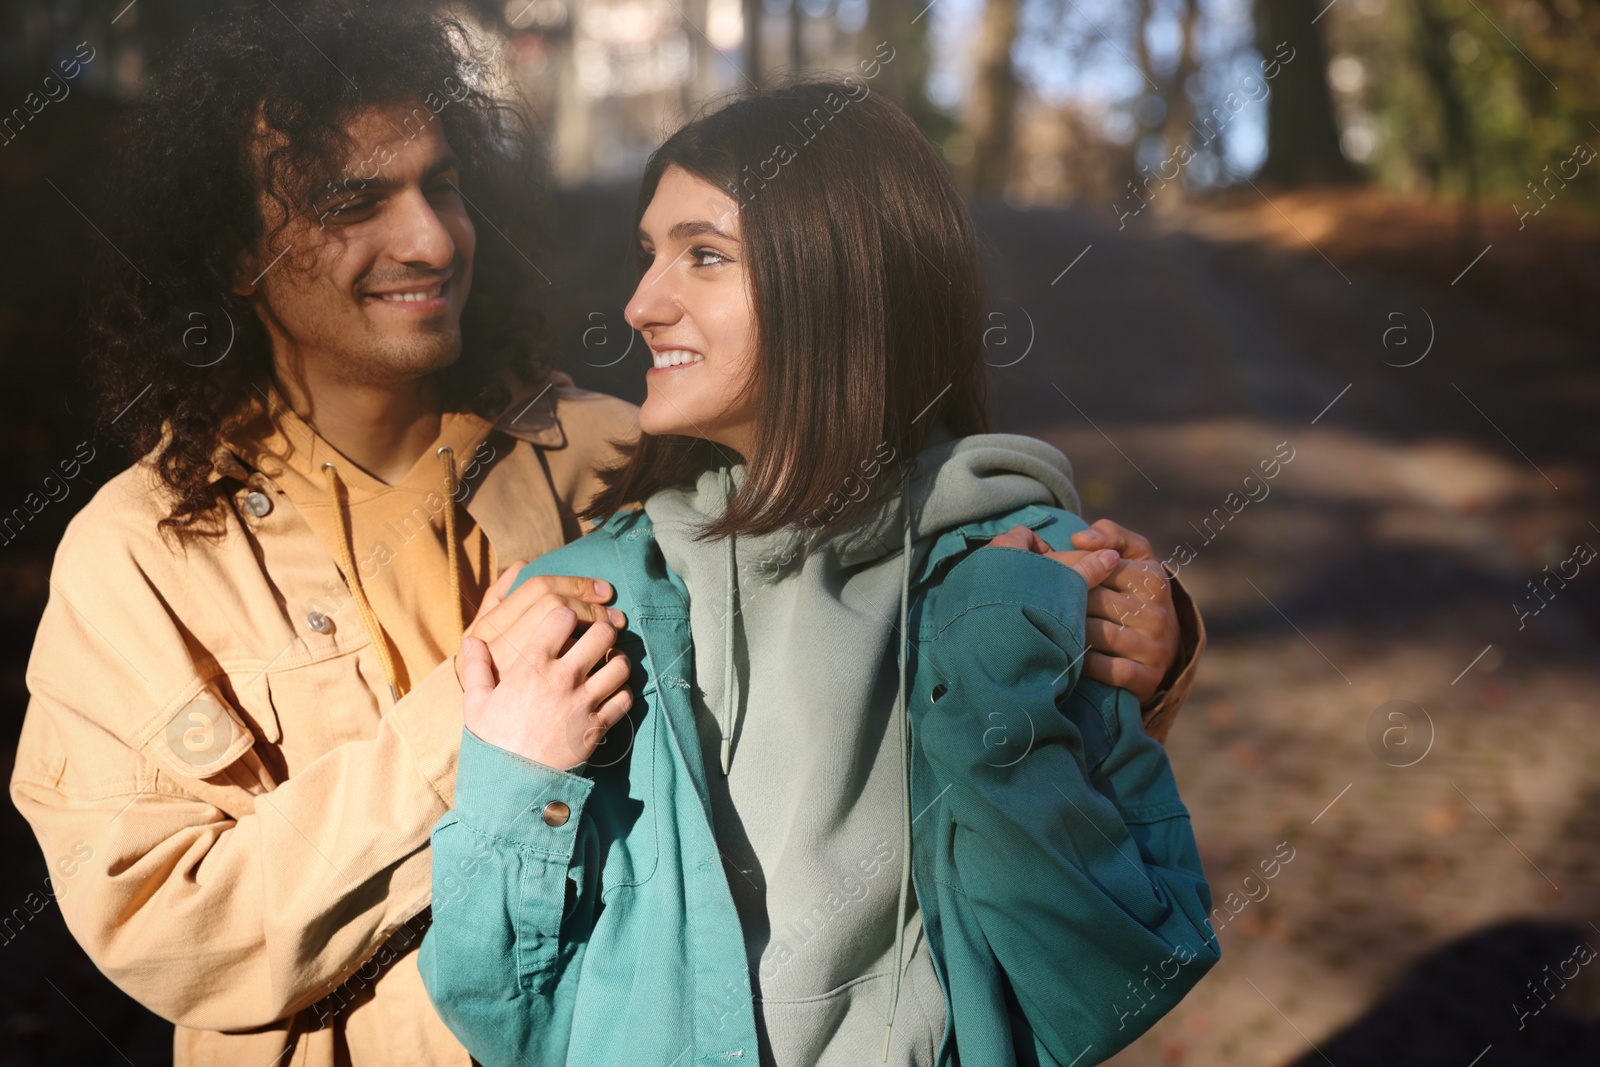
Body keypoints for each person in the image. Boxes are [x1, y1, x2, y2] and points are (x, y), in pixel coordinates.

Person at [8, 6, 1202, 1067]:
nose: (429, 238)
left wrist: (1133, 637)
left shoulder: (623, 456)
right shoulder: (140, 554)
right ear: (231, 251)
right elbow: (167, 929)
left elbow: (873, 617)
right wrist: (472, 746)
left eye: (444, 184)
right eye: (352, 200)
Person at [419, 81, 1219, 1067]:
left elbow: (1108, 979)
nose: (639, 304)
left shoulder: (1022, 576)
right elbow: (496, 1008)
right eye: (647, 254)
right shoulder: (591, 608)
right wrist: (520, 777)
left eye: (702, 255)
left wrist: (1004, 686)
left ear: (843, 279)